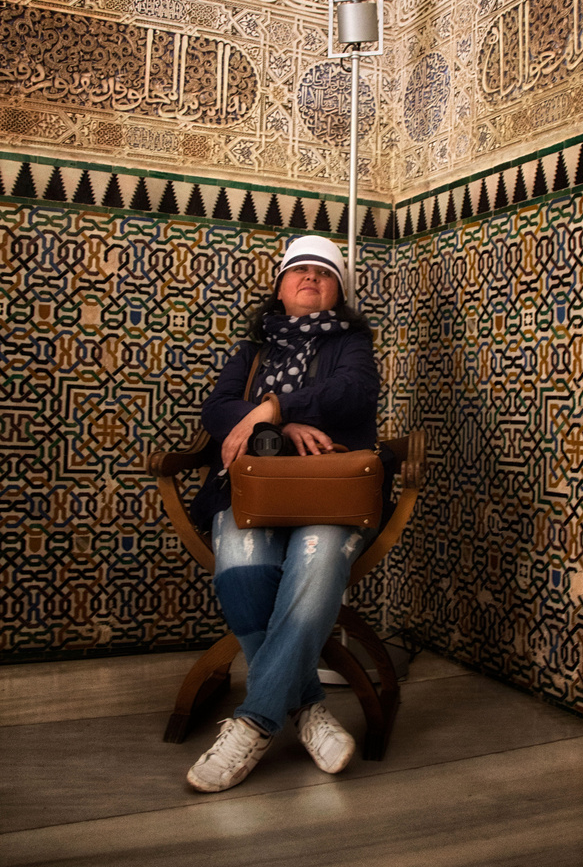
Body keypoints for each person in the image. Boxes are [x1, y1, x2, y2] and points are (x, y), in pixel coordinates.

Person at [186, 234, 382, 793]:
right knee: (243, 570)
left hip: (331, 497)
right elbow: (218, 407)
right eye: (300, 270)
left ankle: (254, 720)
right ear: (280, 286)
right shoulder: (253, 354)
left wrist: (275, 407)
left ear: (337, 291)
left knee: (317, 564)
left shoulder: (352, 345)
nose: (311, 279)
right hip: (252, 496)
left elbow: (353, 394)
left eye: (324, 273)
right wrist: (275, 427)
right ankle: (308, 708)